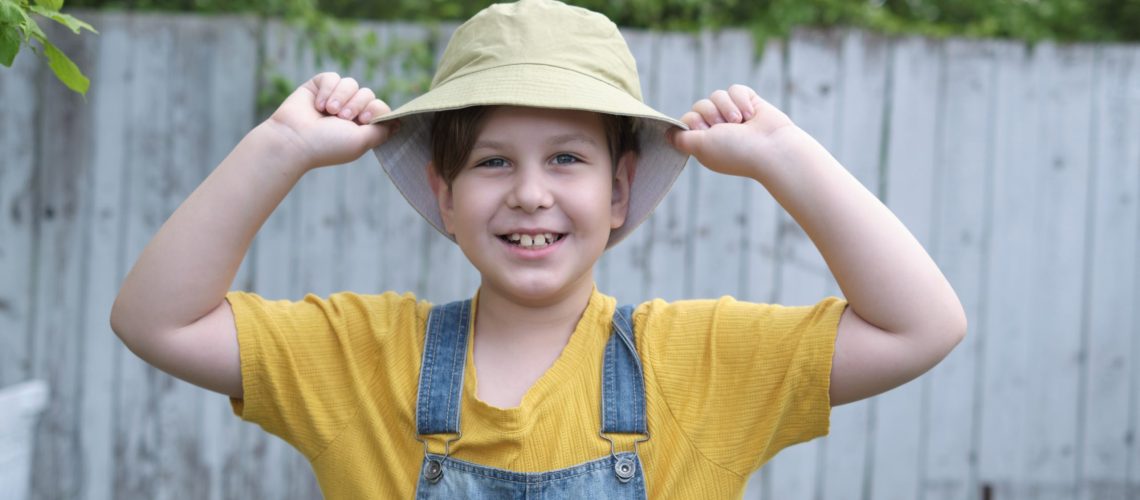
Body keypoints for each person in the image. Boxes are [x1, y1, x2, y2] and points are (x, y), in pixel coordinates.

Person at [110, 0, 967, 498]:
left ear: (621, 191)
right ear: (443, 197)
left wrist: (788, 157)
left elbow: (921, 328)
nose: (529, 191)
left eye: (567, 157)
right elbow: (156, 322)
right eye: (491, 161)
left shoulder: (698, 364)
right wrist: (278, 147)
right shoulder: (362, 361)